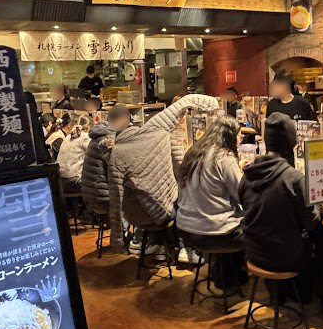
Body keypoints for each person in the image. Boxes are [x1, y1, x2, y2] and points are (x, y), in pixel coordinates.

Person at [107, 93, 218, 249]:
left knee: (165, 195)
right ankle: (185, 247)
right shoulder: (154, 130)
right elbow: (184, 103)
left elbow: (115, 199)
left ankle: (154, 242)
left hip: (134, 214)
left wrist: (117, 238)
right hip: (155, 213)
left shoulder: (115, 153)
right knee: (186, 200)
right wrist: (214, 103)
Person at [240, 113, 318, 274]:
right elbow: (311, 222)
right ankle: (315, 295)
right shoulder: (294, 179)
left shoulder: (247, 174)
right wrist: (316, 206)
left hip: (254, 253)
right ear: (291, 143)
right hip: (286, 257)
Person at [175, 116, 245, 287]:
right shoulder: (225, 158)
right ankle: (233, 278)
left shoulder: (194, 153)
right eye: (239, 135)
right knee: (257, 226)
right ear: (229, 135)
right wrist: (240, 171)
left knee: (224, 217)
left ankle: (224, 273)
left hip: (187, 231)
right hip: (217, 235)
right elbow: (241, 195)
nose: (241, 139)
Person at [82, 105, 131, 219]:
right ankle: (126, 235)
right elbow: (118, 169)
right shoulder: (110, 138)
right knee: (137, 201)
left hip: (90, 195)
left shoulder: (98, 134)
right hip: (103, 197)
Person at [56, 121, 91, 190]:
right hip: (73, 180)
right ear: (87, 129)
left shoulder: (68, 136)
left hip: (60, 178)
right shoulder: (85, 137)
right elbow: (95, 154)